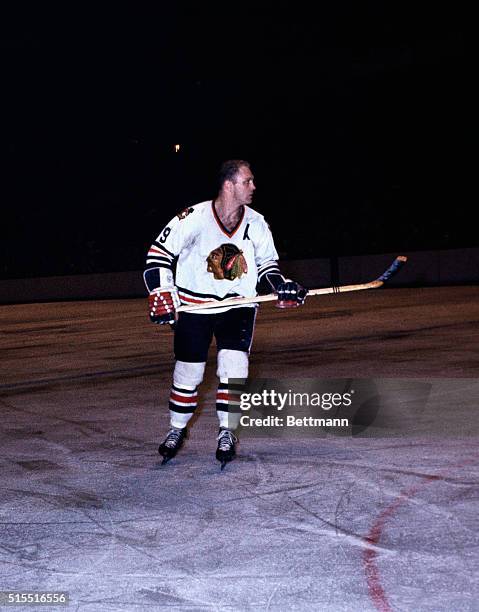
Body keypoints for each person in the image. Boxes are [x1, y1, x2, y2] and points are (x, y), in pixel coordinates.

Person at [144, 160, 307, 468]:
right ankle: (176, 429)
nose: (253, 187)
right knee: (188, 373)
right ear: (229, 185)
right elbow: (158, 255)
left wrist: (281, 286)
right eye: (248, 181)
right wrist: (161, 291)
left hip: (238, 304)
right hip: (195, 305)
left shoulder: (257, 222)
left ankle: (227, 432)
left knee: (235, 370)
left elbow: (268, 267)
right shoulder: (192, 218)